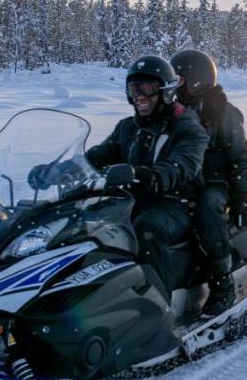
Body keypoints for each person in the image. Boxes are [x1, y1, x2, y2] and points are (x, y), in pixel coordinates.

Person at [84, 54, 208, 298]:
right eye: (134, 88)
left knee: (146, 229)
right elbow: (98, 156)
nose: (140, 96)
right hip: (131, 200)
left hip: (175, 202)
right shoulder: (127, 127)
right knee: (86, 224)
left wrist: (152, 176)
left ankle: (159, 306)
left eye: (148, 88)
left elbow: (184, 164)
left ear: (165, 91)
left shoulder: (186, 125)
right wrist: (62, 169)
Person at [170, 49, 247, 318]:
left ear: (196, 79)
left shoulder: (224, 112)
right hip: (185, 181)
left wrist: (241, 198)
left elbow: (240, 157)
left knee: (207, 208)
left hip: (219, 183)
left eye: (179, 79)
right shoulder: (174, 111)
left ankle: (222, 286)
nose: (175, 85)